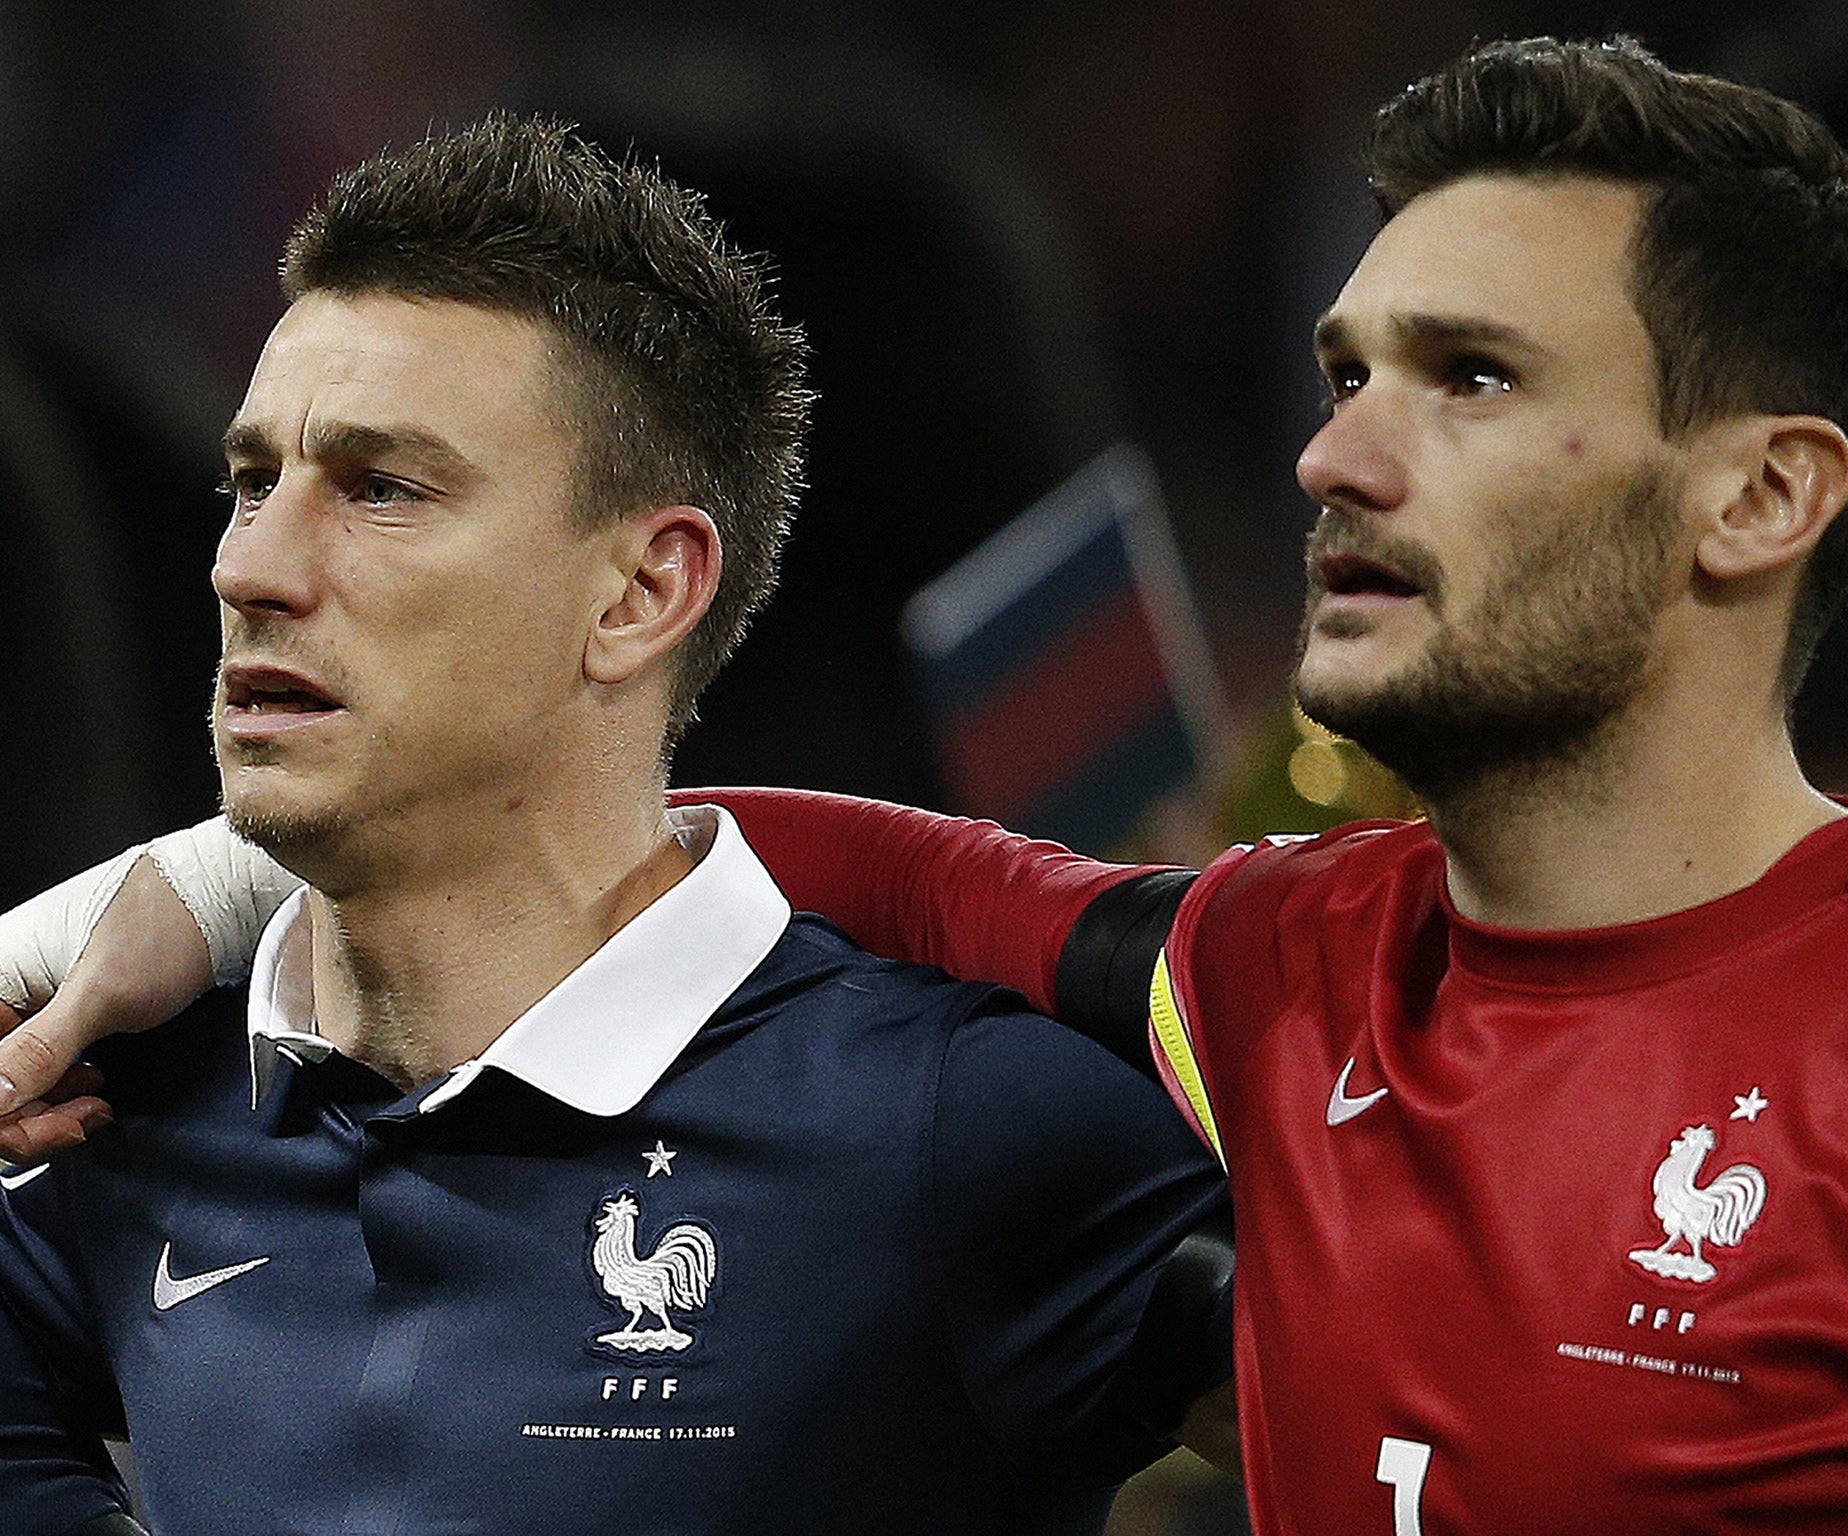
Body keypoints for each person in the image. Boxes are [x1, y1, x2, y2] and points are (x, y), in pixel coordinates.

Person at [4, 32, 1848, 1536]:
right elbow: (822, 853)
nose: (1332, 454)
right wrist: (201, 881)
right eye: (1342, 374)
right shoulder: (1272, 961)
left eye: (1475, 377)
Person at [0, 115, 1235, 1536]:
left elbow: (1467, 1435)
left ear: (641, 592)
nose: (255, 565)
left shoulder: (954, 1127)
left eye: (381, 488)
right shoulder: (120, 1118)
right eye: (255, 480)